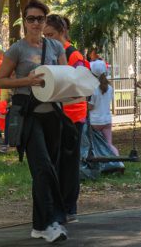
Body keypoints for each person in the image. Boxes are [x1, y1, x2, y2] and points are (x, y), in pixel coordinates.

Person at [0, 0, 68, 243]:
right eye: (31, 19)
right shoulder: (17, 49)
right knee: (42, 167)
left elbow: (64, 77)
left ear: (45, 20)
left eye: (40, 18)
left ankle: (40, 225)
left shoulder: (56, 47)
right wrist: (26, 81)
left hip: (53, 115)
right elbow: (1, 81)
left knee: (49, 170)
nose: (36, 23)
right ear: (24, 22)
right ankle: (51, 222)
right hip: (28, 115)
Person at [44, 14, 89, 223]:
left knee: (69, 164)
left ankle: (70, 207)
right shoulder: (51, 52)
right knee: (56, 163)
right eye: (45, 35)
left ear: (62, 33)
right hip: (57, 115)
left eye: (51, 35)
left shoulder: (74, 56)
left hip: (72, 117)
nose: (47, 39)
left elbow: (84, 90)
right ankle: (58, 206)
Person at [88, 60, 119, 156]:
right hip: (107, 120)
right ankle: (118, 161)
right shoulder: (109, 88)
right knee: (109, 144)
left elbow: (91, 106)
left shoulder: (92, 88)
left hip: (95, 121)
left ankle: (100, 165)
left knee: (95, 145)